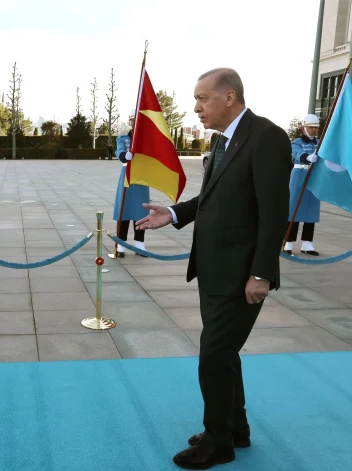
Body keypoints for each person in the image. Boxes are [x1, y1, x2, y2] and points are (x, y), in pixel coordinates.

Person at [136, 68, 292, 469]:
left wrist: (261, 272)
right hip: (215, 268)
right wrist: (172, 213)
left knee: (214, 355)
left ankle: (217, 441)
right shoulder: (225, 139)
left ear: (229, 96)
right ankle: (235, 429)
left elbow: (274, 212)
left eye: (203, 98)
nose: (196, 106)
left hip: (242, 274)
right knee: (224, 355)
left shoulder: (267, 137)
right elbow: (212, 197)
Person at [112, 112, 149, 258]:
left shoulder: (146, 138)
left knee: (141, 210)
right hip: (127, 174)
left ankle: (140, 243)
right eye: (133, 120)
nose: (135, 123)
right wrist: (123, 156)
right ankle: (121, 244)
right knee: (124, 209)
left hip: (142, 176)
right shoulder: (124, 137)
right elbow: (120, 150)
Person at [285, 114, 321, 256]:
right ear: (304, 128)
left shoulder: (319, 143)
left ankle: (307, 242)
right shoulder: (297, 142)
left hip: (314, 178)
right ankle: (288, 241)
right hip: (299, 176)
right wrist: (306, 157)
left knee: (311, 209)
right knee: (294, 209)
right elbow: (295, 154)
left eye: (316, 128)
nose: (314, 130)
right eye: (311, 127)